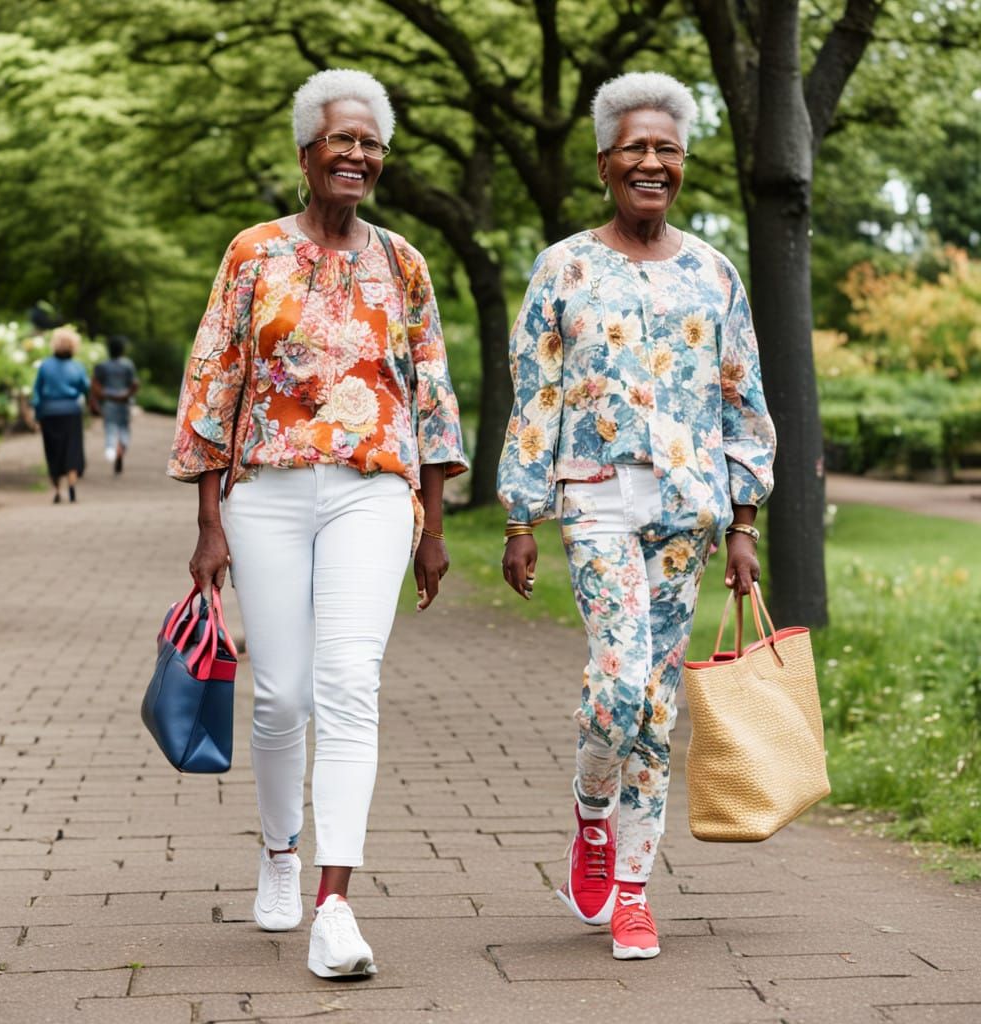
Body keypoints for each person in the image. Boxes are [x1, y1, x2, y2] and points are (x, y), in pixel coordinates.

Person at [168, 68, 468, 980]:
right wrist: (208, 519)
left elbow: (432, 395)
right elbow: (213, 381)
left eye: (371, 143)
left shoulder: (403, 262)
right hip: (265, 490)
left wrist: (432, 524)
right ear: (306, 154)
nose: (358, 154)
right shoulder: (253, 252)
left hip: (371, 492)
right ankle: (279, 852)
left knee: (349, 683)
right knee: (282, 694)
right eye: (341, 140)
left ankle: (335, 906)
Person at [497, 72, 776, 962]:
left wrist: (744, 522)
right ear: (604, 163)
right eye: (635, 149)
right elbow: (535, 397)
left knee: (653, 708)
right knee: (619, 685)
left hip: (690, 512)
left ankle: (631, 891)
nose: (651, 163)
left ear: (682, 165)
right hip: (596, 502)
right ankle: (590, 812)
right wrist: (519, 515)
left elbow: (744, 403)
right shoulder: (564, 267)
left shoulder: (714, 273)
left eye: (667, 150)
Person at [31, 326, 90, 503]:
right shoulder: (77, 366)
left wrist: (37, 416)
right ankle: (72, 485)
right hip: (71, 412)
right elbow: (85, 388)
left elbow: (37, 393)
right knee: (72, 448)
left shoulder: (45, 366)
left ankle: (57, 489)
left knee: (53, 450)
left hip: (49, 412)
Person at [91, 335, 139, 474]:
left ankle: (111, 448)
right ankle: (121, 449)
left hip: (108, 401)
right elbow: (134, 384)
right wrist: (127, 394)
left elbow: (95, 384)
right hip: (124, 402)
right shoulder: (128, 365)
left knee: (110, 427)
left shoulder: (102, 366)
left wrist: (96, 399)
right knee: (124, 428)